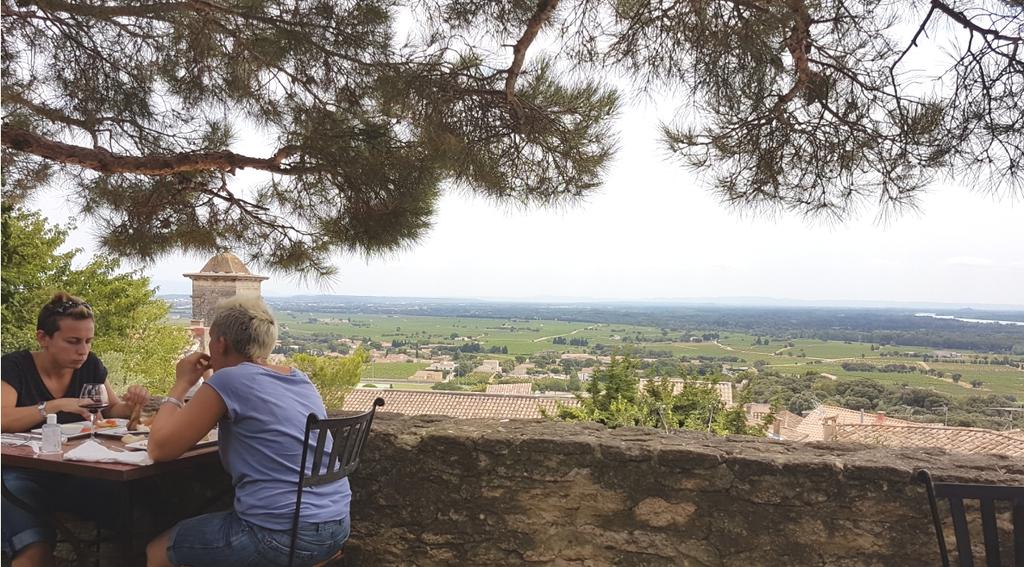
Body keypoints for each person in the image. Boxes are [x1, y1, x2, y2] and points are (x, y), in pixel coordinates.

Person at [145, 296, 349, 567]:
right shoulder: (298, 378)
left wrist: (182, 383)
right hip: (335, 526)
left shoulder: (228, 380)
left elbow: (159, 449)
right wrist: (211, 379)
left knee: (157, 550)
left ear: (220, 343)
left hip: (278, 536)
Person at [1, 293, 149, 566]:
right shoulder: (15, 367)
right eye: (73, 341)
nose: (83, 350)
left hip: (75, 469)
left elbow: (111, 409)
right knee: (34, 550)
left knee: (140, 514)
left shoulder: (89, 365)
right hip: (19, 473)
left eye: (88, 341)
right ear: (43, 338)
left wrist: (133, 404)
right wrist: (53, 406)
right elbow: (3, 418)